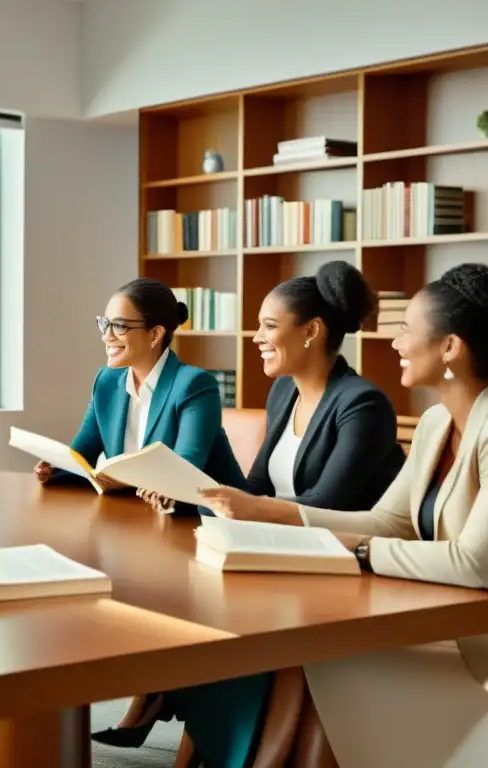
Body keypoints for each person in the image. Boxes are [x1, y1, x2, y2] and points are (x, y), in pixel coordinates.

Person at [93, 262, 407, 760]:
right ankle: (178, 725)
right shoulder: (284, 390)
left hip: (337, 560)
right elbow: (257, 485)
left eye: (268, 325)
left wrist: (237, 502)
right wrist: (202, 485)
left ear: (311, 332)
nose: (257, 337)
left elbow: (327, 506)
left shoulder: (363, 404)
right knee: (182, 584)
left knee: (212, 604)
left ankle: (187, 729)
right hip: (281, 547)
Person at [198, 262, 488, 767]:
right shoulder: (436, 423)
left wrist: (354, 549)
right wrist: (285, 523)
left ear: (450, 347)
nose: (393, 342)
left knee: (308, 650)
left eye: (406, 330)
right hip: (433, 612)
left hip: (471, 642)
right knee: (297, 653)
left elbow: (473, 563)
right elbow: (389, 521)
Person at [33, 277, 241, 512]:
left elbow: (187, 466)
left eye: (120, 326)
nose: (106, 336)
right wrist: (56, 469)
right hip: (138, 515)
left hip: (206, 520)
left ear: (155, 334)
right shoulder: (107, 382)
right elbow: (82, 453)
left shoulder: (194, 384)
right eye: (105, 324)